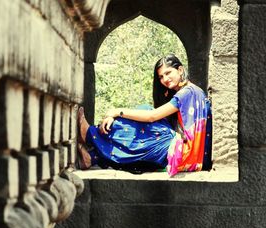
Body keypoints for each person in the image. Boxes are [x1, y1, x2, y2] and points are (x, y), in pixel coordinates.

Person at [77, 54, 212, 176]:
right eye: (161, 76)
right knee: (145, 113)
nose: (165, 79)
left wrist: (117, 111)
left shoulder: (187, 92)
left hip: (188, 154)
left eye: (168, 73)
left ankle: (89, 134)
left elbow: (152, 116)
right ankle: (91, 157)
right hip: (193, 153)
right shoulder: (189, 91)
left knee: (146, 126)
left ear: (180, 70)